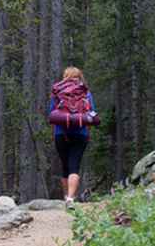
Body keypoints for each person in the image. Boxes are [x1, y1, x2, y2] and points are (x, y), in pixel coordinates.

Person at [47, 66, 95, 208]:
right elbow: (91, 113)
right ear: (79, 77)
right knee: (75, 166)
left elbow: (51, 113)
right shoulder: (86, 93)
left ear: (65, 76)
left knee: (65, 167)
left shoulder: (57, 92)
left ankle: (66, 197)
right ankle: (71, 199)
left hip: (61, 134)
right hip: (81, 134)